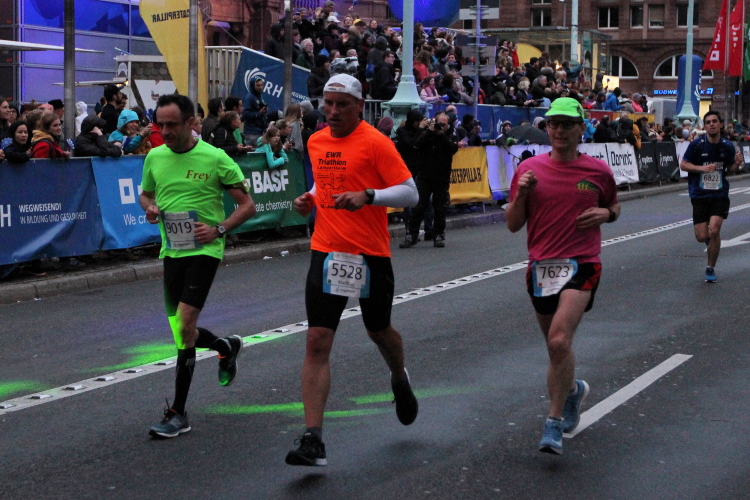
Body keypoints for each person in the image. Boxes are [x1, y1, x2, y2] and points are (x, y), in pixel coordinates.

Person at [285, 74, 419, 466]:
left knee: (379, 330)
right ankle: (313, 439)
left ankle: (399, 377)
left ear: (360, 106)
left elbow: (410, 193)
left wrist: (370, 196)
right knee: (316, 341)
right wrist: (310, 198)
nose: (333, 111)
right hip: (327, 251)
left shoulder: (376, 142)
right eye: (327, 103)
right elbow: (327, 183)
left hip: (369, 253)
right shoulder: (316, 141)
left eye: (342, 104)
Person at [505, 97, 620, 455]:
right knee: (557, 348)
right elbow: (513, 224)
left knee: (558, 341)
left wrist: (606, 214)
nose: (559, 130)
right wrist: (522, 195)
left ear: (581, 128)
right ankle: (572, 390)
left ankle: (553, 423)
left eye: (567, 124)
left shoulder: (598, 171)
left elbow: (614, 204)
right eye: (553, 124)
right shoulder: (530, 169)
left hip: (583, 262)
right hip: (541, 266)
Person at [139, 93, 256, 438]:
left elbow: (247, 206)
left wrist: (218, 229)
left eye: (172, 125)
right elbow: (145, 194)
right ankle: (224, 347)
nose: (165, 131)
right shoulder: (155, 157)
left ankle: (178, 413)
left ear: (191, 123)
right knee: (181, 331)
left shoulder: (215, 157)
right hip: (172, 250)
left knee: (185, 322)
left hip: (205, 249)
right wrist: (149, 207)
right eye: (160, 125)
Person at [679, 110, 743, 283]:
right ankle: (711, 241)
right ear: (705, 126)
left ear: (720, 124)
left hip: (719, 193)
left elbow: (731, 169)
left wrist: (737, 164)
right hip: (699, 193)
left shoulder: (727, 146)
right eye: (708, 122)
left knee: (714, 229)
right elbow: (683, 165)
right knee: (701, 236)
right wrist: (702, 168)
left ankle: (710, 268)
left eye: (715, 121)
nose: (712, 124)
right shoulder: (697, 145)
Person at [402, 111, 458, 248]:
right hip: (425, 176)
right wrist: (428, 131)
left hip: (442, 177)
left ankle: (438, 234)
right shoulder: (427, 134)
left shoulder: (450, 135)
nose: (441, 126)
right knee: (418, 207)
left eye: (444, 124)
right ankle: (412, 235)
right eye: (439, 123)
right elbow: (416, 144)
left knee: (440, 208)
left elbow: (453, 148)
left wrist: (441, 134)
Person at [241, 76, 268, 146]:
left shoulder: (259, 96)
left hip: (260, 131)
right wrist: (259, 113)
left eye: (261, 85)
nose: (260, 87)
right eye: (258, 85)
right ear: (253, 85)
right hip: (252, 132)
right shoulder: (249, 97)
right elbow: (245, 114)